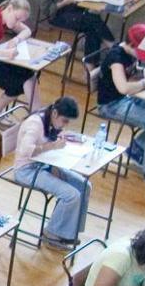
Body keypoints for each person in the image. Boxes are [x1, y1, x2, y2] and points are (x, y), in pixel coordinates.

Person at [93, 22, 145, 191]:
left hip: (128, 98)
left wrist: (141, 71)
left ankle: (137, 150)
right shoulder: (116, 58)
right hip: (111, 105)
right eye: (140, 51)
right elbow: (123, 87)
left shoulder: (130, 52)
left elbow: (133, 69)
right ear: (132, 44)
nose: (141, 55)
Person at [7, 97, 87, 249]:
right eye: (64, 121)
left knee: (84, 185)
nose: (65, 125)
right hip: (26, 170)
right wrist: (51, 147)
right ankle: (52, 233)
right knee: (72, 195)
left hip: (44, 165)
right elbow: (25, 151)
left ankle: (69, 231)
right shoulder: (35, 123)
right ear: (55, 113)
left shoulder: (50, 120)